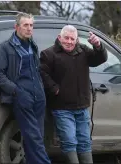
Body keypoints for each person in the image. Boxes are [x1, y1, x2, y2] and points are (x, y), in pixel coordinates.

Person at [39, 25, 108, 164]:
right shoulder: (48, 54)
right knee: (69, 141)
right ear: (60, 37)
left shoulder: (83, 50)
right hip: (61, 108)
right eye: (66, 38)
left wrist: (98, 46)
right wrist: (55, 89)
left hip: (82, 107)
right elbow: (42, 73)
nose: (69, 42)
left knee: (84, 141)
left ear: (76, 40)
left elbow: (99, 59)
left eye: (72, 39)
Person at [0, 13, 51, 164]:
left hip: (39, 98)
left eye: (31, 25)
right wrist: (16, 91)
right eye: (25, 25)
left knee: (37, 139)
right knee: (33, 138)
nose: (29, 29)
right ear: (16, 27)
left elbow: (36, 72)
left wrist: (42, 91)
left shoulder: (32, 45)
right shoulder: (6, 48)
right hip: (22, 99)